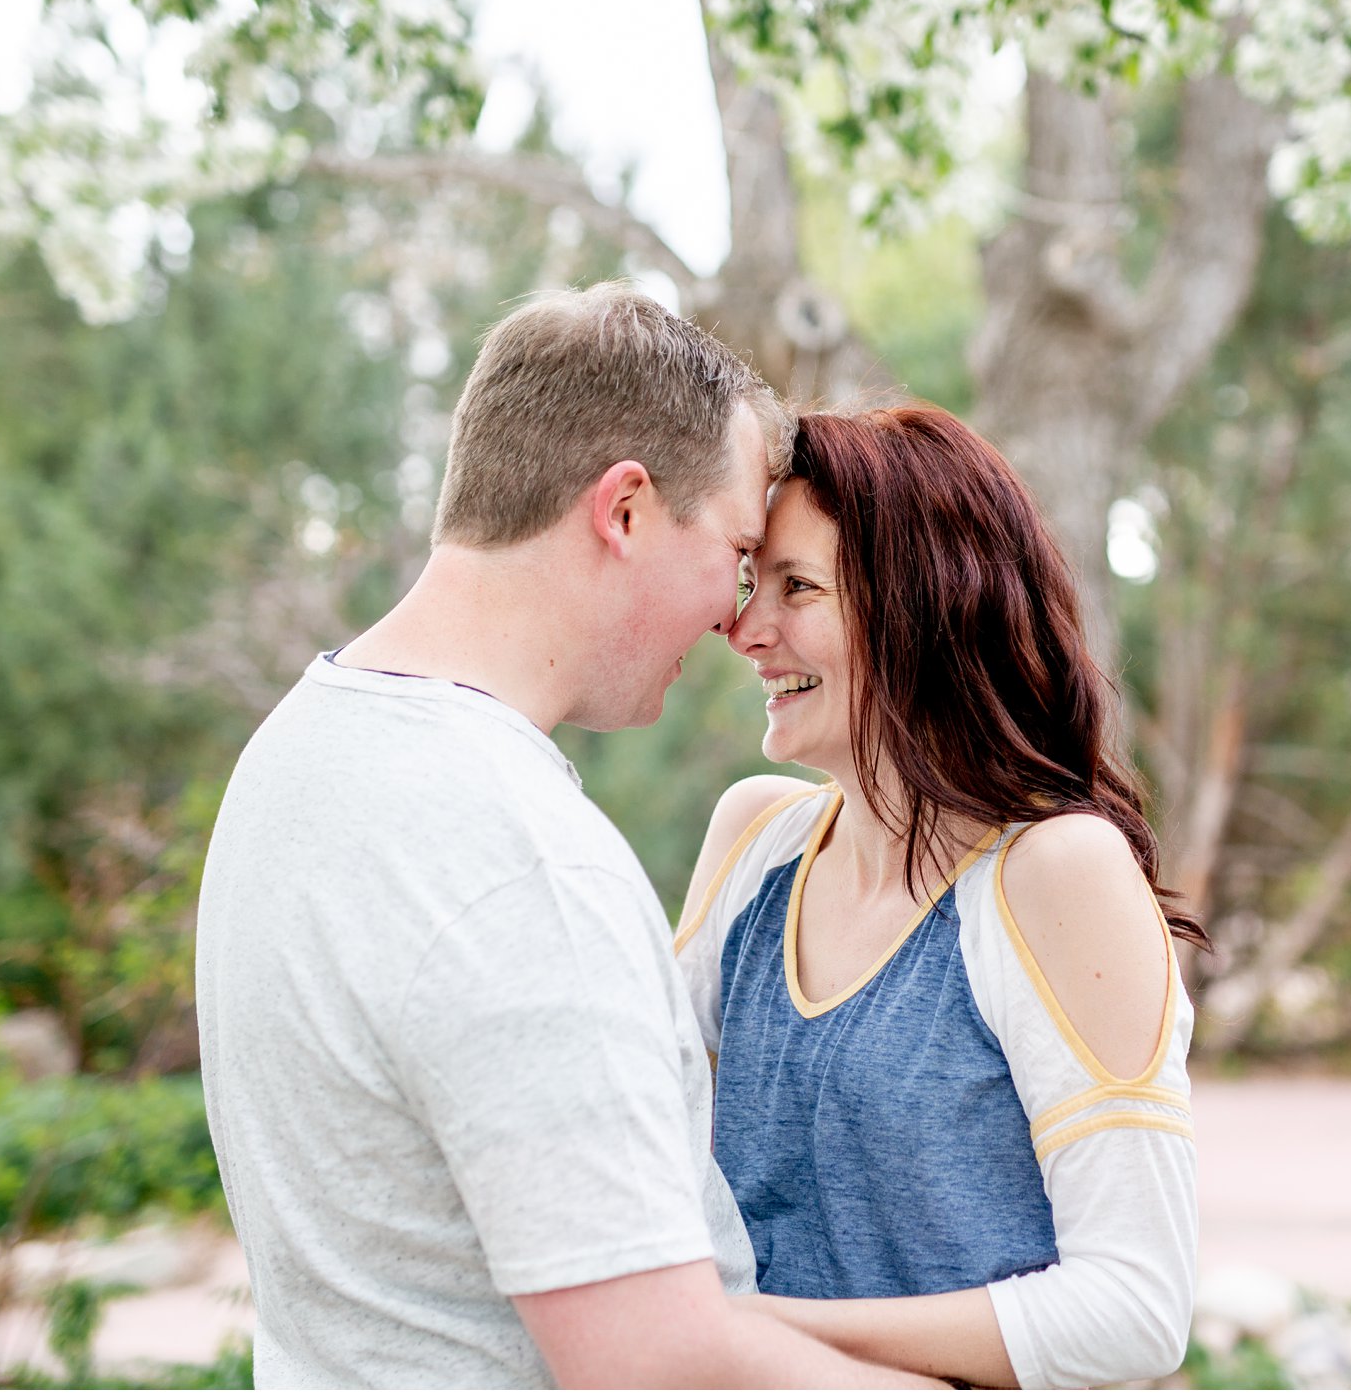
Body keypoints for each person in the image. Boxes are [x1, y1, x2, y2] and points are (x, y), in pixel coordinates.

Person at [196, 285, 935, 1389]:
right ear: (624, 510)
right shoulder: (516, 859)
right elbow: (658, 1361)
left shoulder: (299, 751)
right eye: (736, 552)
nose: (735, 617)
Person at [674, 404, 1205, 1389]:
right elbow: (647, 1150)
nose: (746, 631)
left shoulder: (1055, 873)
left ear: (920, 608)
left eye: (796, 588)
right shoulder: (752, 841)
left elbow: (1135, 1308)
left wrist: (743, 1332)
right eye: (755, 584)